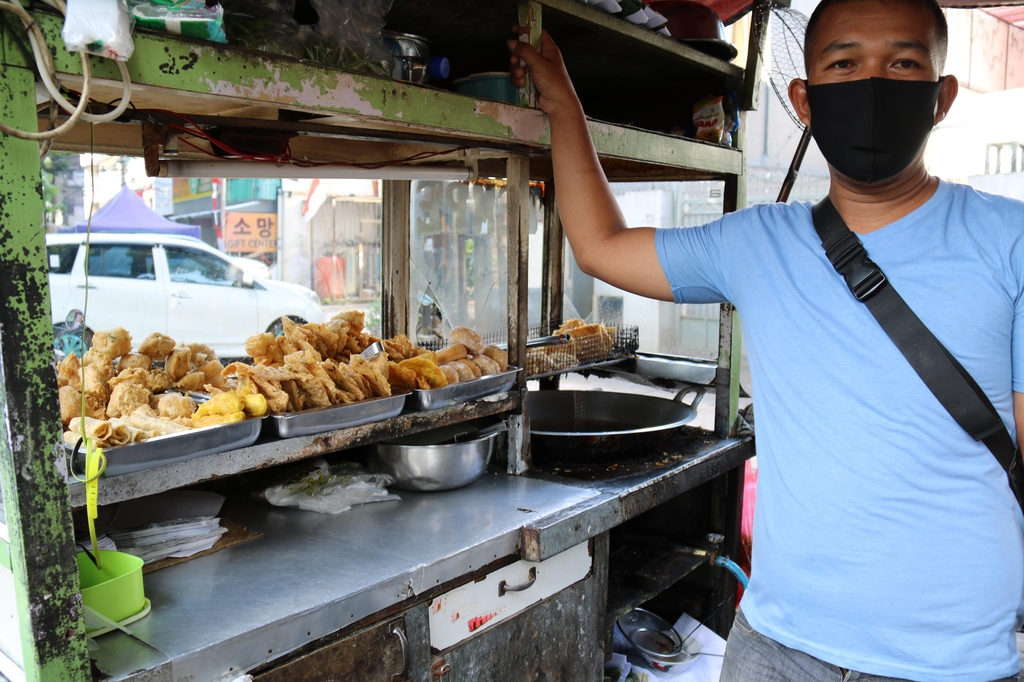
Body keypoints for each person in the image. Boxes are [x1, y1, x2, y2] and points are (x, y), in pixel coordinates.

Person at [507, 0, 1024, 679]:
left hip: (953, 660)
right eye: (845, 64)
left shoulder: (1009, 241)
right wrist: (565, 108)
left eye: (902, 62)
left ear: (941, 96)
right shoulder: (759, 243)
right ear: (804, 101)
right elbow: (603, 247)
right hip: (778, 647)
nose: (872, 82)